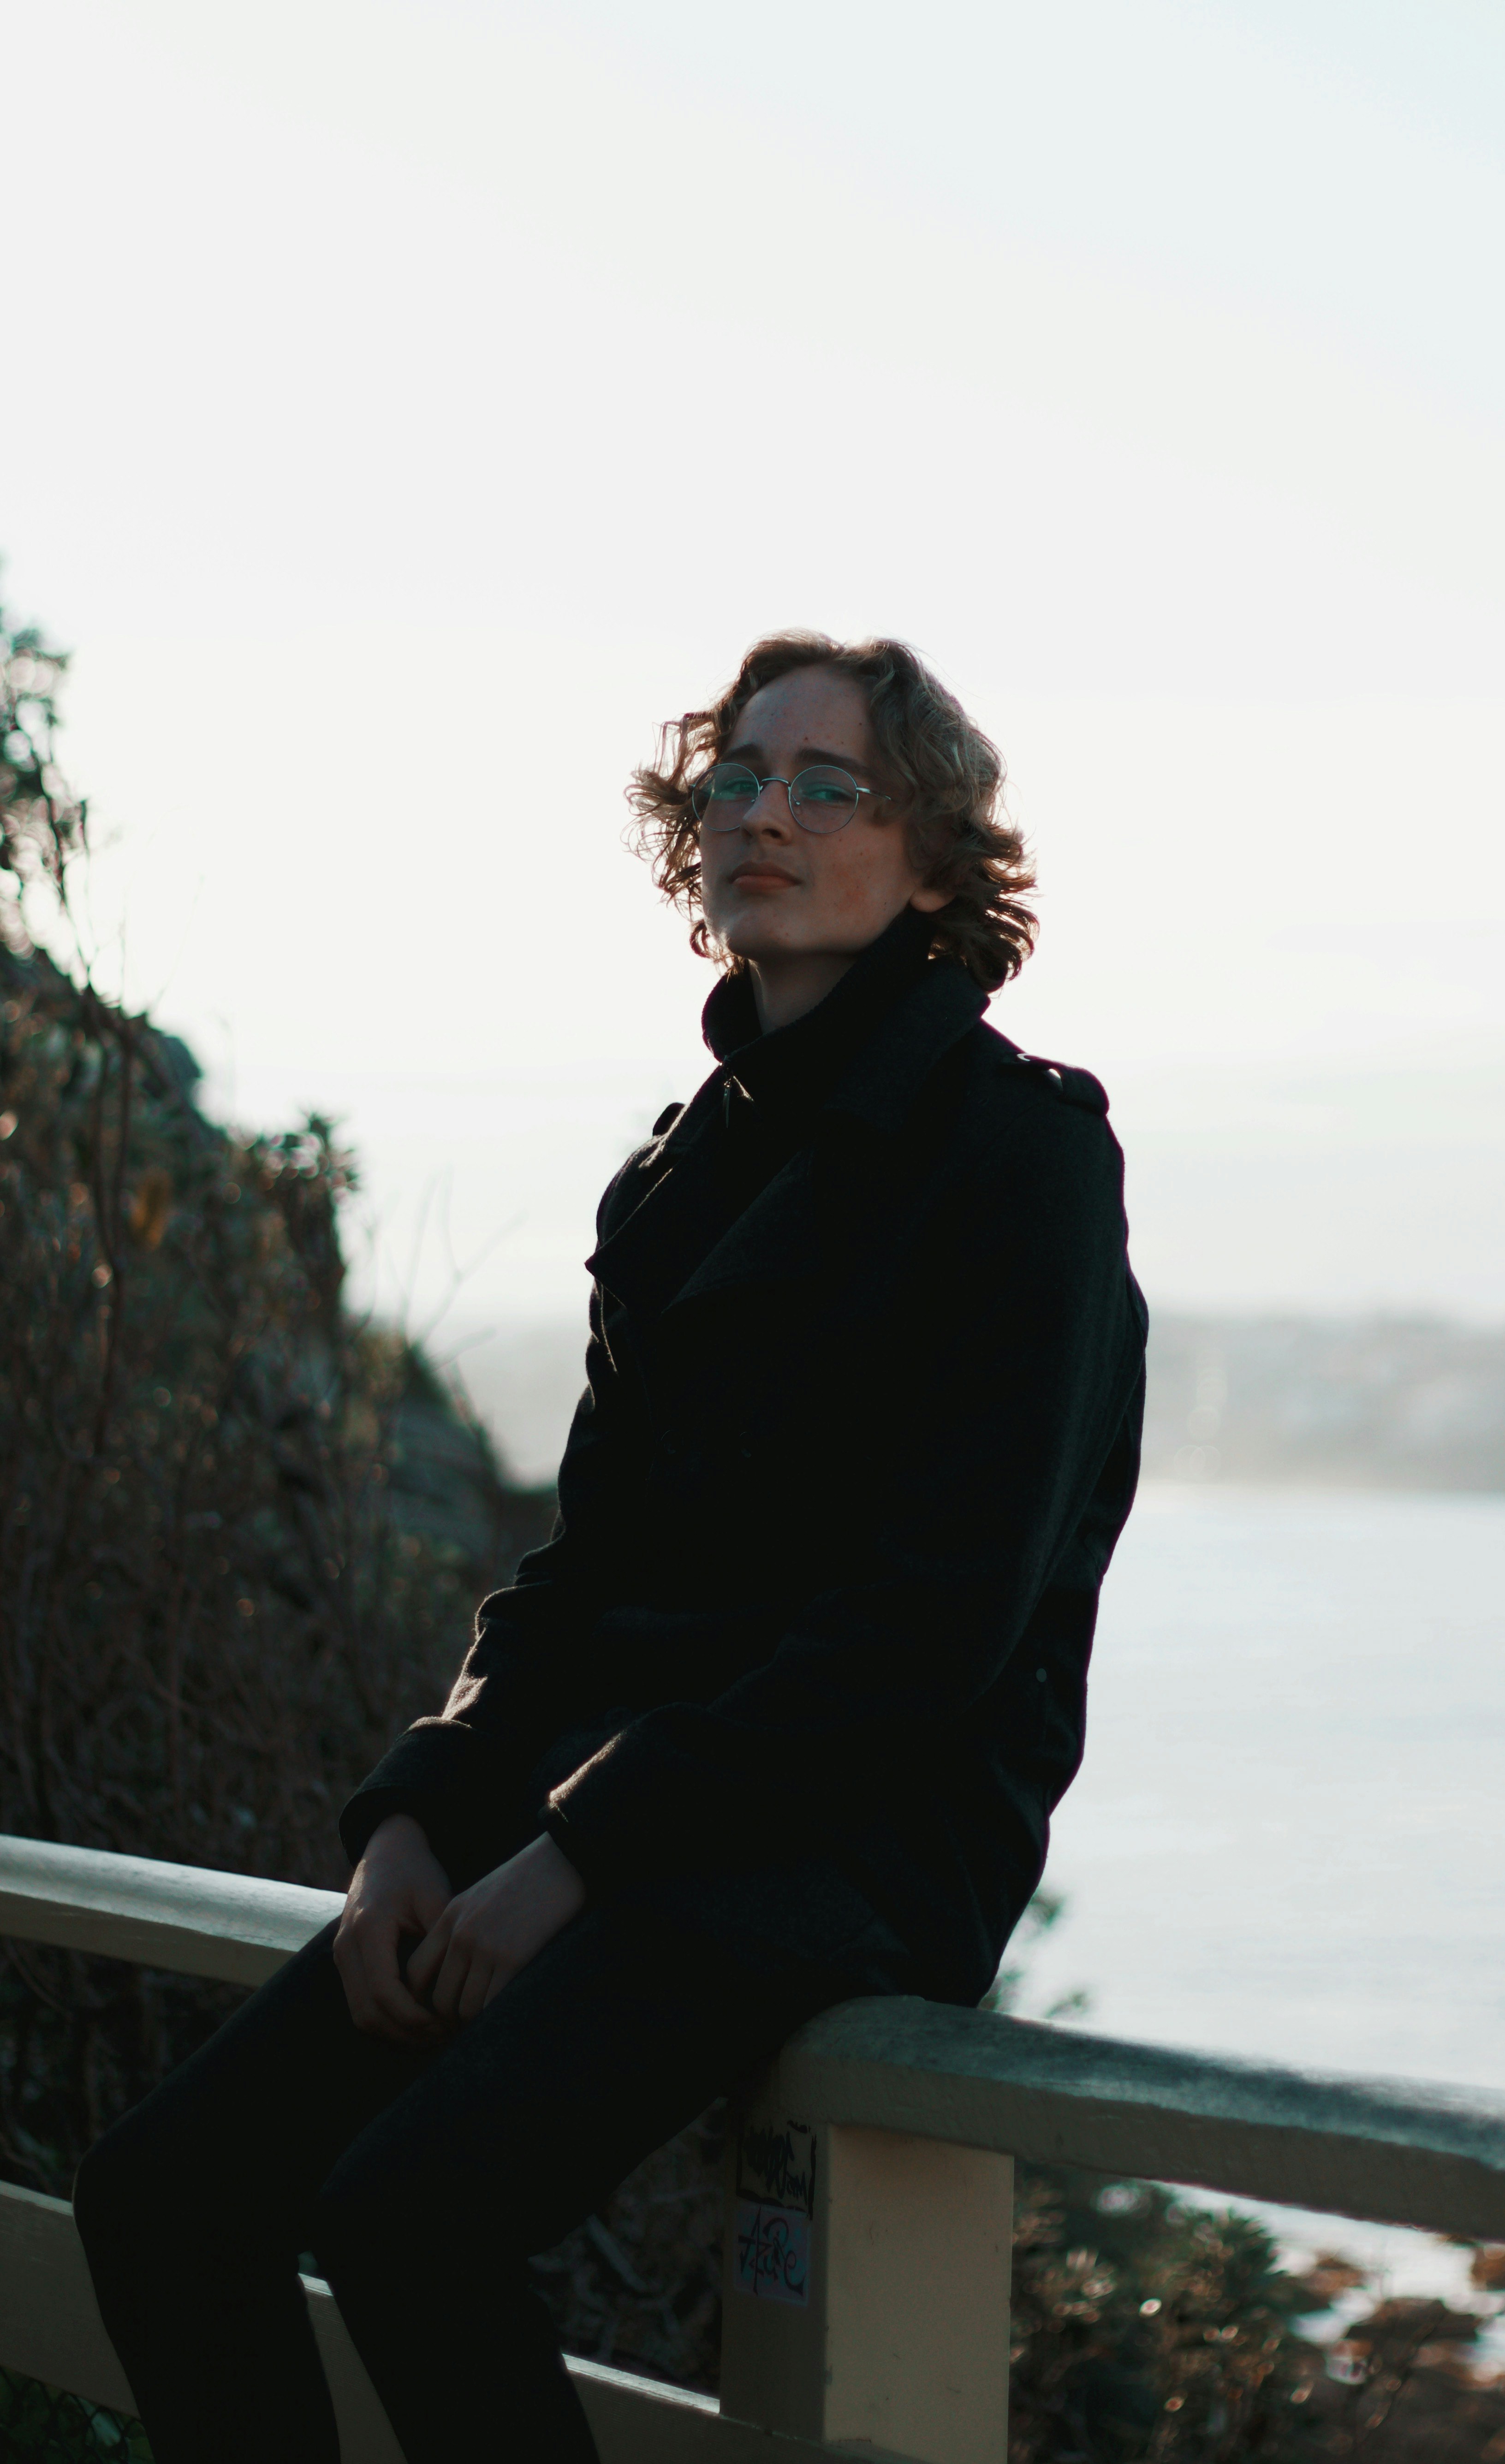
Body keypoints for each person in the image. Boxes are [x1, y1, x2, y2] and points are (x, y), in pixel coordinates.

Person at [73, 633, 1148, 2463]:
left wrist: (569, 1856)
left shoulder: (1014, 1159)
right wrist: (415, 1819)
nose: (762, 813)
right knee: (168, 2200)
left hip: (857, 1829)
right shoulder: (677, 1172)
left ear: (938, 859)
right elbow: (573, 1582)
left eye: (827, 784)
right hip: (615, 1807)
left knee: (408, 2219)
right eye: (736, 775)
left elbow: (929, 1630)